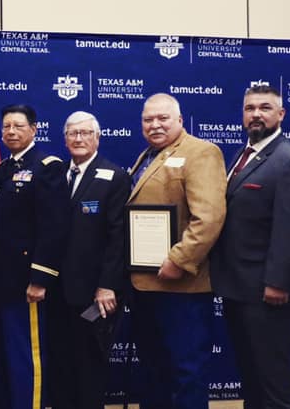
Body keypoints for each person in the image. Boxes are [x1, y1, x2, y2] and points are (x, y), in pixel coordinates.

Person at [210, 85, 290, 408]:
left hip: (269, 294)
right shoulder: (242, 157)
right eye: (250, 108)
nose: (256, 114)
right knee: (252, 376)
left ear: (281, 114)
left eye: (265, 108)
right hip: (240, 289)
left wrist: (277, 283)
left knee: (273, 381)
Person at [127, 93, 226, 409]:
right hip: (146, 285)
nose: (154, 125)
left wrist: (180, 259)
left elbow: (209, 217)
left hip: (182, 288)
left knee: (187, 373)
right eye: (148, 120)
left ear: (180, 121)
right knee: (154, 371)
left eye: (162, 118)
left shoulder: (201, 153)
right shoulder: (147, 156)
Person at [0, 103, 67, 409]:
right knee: (4, 354)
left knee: (26, 357)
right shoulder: (3, 169)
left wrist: (40, 278)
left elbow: (53, 227)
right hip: (0, 281)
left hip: (27, 284)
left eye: (18, 125)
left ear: (34, 129)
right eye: (6, 126)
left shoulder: (48, 167)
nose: (11, 131)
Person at [47, 111, 131, 409]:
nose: (78, 139)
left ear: (97, 137)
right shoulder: (55, 176)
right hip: (56, 293)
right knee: (59, 365)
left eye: (85, 133)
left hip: (94, 296)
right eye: (72, 133)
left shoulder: (115, 177)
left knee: (89, 366)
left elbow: (119, 238)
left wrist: (107, 286)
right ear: (65, 138)